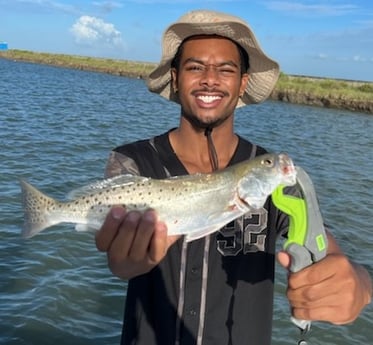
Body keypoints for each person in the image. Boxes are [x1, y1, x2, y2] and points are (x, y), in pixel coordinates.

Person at [95, 9, 372, 345]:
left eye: (226, 69)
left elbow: (322, 246)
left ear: (242, 82)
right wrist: (125, 262)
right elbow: (120, 264)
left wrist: (358, 283)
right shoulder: (132, 160)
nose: (210, 79)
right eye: (195, 67)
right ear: (175, 77)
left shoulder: (270, 173)